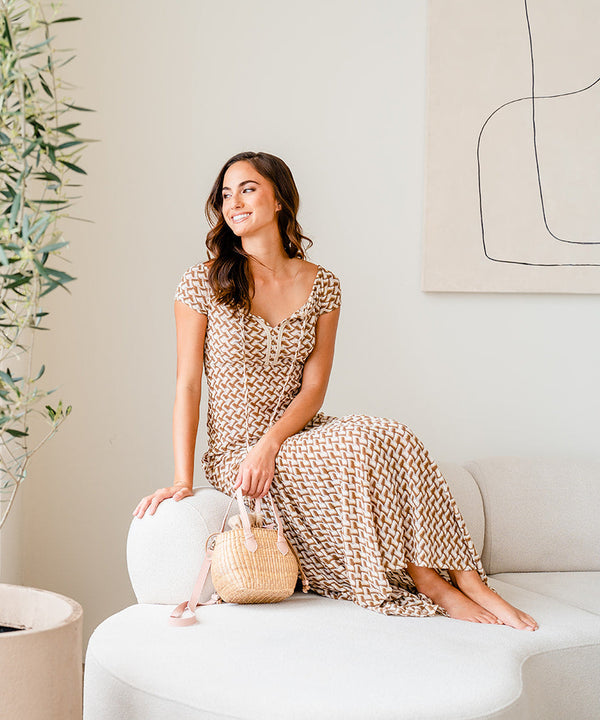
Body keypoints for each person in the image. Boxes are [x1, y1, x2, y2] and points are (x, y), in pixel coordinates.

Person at [133, 151, 537, 630]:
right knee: (363, 443)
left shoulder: (322, 285)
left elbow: (315, 388)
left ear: (279, 199)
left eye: (247, 189)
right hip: (238, 452)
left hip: (295, 434)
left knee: (389, 434)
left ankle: (470, 580)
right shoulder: (202, 281)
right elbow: (187, 384)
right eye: (225, 194)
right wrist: (182, 479)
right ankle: (431, 582)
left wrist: (272, 443)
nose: (233, 202)